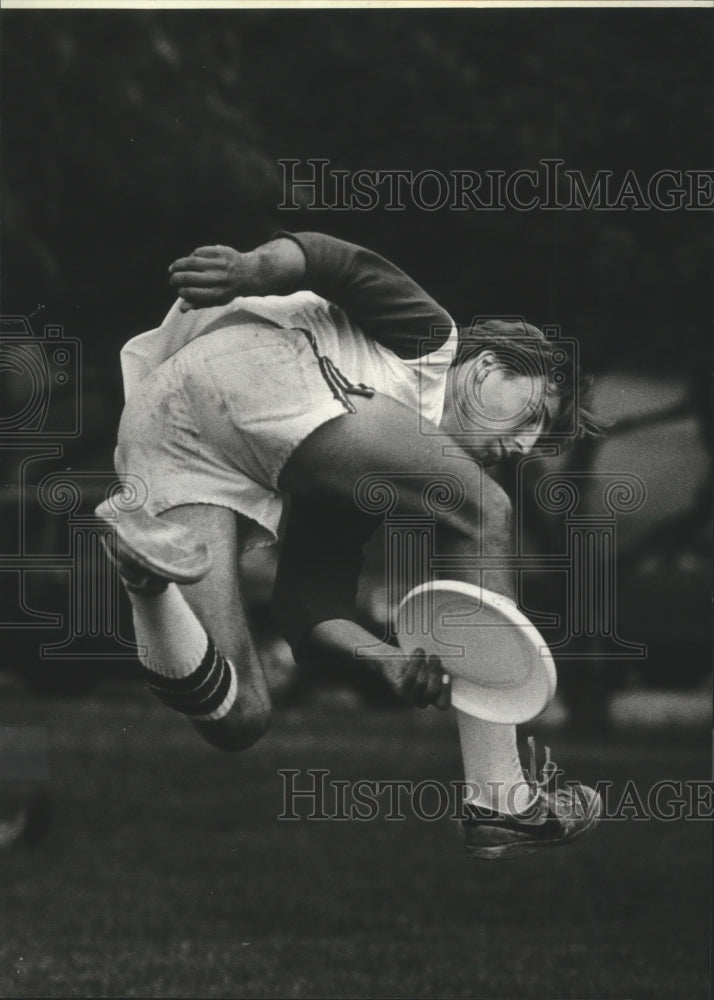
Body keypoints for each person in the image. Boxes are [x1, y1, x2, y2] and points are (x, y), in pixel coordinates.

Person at [97, 232, 601, 858]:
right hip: (246, 367)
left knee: (239, 715)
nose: (523, 448)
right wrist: (255, 267)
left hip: (161, 427)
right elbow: (344, 264)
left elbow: (309, 610)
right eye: (530, 417)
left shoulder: (354, 478)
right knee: (484, 510)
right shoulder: (434, 344)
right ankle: (500, 794)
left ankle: (145, 582)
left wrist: (386, 661)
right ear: (490, 366)